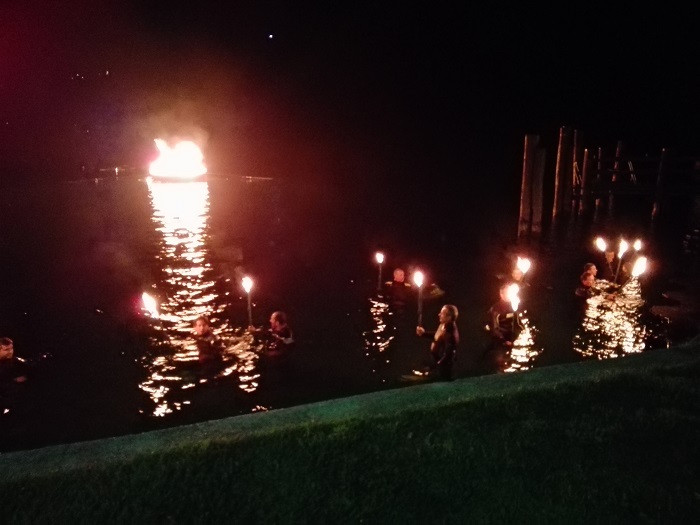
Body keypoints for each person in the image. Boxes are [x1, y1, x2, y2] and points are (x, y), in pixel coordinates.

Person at [415, 304, 459, 381]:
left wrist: (439, 365)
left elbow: (449, 354)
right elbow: (438, 336)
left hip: (444, 368)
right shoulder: (444, 325)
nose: (439, 314)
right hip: (438, 362)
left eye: (442, 313)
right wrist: (423, 333)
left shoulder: (450, 333)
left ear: (449, 317)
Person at [1, 337, 29, 416]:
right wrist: (14, 381)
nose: (10, 352)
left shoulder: (15, 362)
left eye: (11, 348)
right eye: (6, 350)